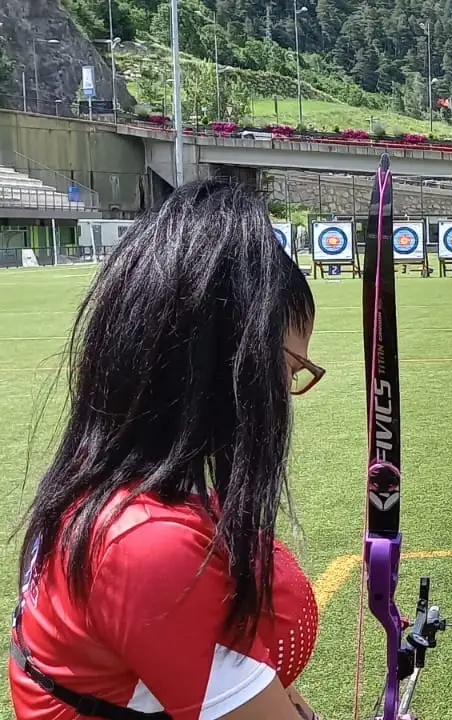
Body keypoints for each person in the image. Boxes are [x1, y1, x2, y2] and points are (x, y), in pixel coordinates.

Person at [10, 180, 325, 720]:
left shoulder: (111, 488)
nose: (283, 395)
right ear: (231, 362)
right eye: (290, 368)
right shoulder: (146, 546)